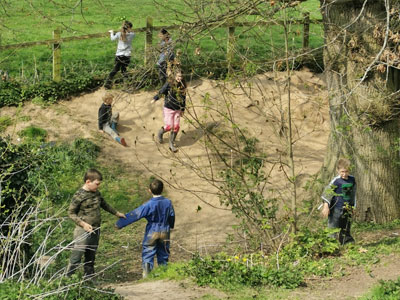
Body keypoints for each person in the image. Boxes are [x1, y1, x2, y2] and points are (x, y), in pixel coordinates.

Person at [67, 169, 126, 277]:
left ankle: (89, 279)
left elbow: (104, 204)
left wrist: (117, 213)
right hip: (82, 231)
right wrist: (83, 224)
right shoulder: (79, 195)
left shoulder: (96, 193)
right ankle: (68, 280)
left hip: (95, 229)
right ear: (88, 182)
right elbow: (71, 213)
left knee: (91, 256)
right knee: (77, 256)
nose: (98, 187)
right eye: (97, 184)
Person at [116, 179, 175, 278]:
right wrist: (171, 225)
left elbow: (136, 214)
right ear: (163, 189)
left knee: (148, 251)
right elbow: (172, 215)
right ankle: (164, 274)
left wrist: (120, 223)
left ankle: (147, 275)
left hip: (152, 230)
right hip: (165, 229)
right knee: (164, 252)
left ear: (149, 190)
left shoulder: (149, 204)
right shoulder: (168, 202)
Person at [321, 158, 356, 245]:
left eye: (346, 172)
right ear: (338, 170)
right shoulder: (336, 181)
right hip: (336, 208)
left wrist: (353, 206)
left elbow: (353, 194)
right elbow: (327, 193)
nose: (344, 174)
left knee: (346, 226)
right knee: (333, 226)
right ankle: (330, 244)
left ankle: (346, 242)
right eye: (342, 172)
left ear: (349, 170)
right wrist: (326, 206)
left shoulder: (352, 180)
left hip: (347, 208)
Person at [151, 69, 186, 152]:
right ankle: (160, 133)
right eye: (178, 76)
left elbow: (184, 98)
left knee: (176, 127)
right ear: (174, 76)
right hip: (168, 108)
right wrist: (155, 99)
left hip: (177, 109)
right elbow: (161, 92)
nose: (179, 78)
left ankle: (171, 143)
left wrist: (182, 109)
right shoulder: (169, 84)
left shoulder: (182, 86)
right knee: (169, 126)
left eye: (181, 76)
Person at [104, 20, 135, 89]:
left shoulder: (118, 34)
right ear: (129, 28)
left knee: (115, 70)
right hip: (127, 55)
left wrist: (112, 32)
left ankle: (107, 84)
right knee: (124, 71)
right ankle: (126, 86)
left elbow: (112, 39)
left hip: (119, 55)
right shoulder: (132, 35)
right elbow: (131, 33)